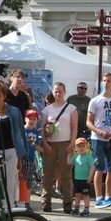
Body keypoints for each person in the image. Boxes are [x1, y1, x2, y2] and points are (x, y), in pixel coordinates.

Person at [87, 73, 111, 208]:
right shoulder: (95, 101)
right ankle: (98, 197)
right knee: (99, 167)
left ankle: (109, 196)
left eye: (109, 81)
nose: (106, 83)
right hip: (98, 138)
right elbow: (88, 122)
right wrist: (99, 131)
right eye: (104, 81)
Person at [40, 81, 77, 212]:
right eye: (55, 91)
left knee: (66, 174)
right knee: (48, 174)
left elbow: (74, 127)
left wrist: (72, 144)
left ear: (64, 92)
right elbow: (43, 128)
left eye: (60, 91)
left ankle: (67, 204)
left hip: (65, 143)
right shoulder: (47, 109)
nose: (58, 94)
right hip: (50, 143)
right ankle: (46, 203)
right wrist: (45, 143)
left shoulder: (71, 108)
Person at [70, 137, 95, 216]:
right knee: (77, 194)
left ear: (86, 147)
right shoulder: (75, 156)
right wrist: (68, 154)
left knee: (85, 194)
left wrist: (90, 176)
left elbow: (92, 167)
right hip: (77, 178)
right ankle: (76, 208)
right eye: (79, 146)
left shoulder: (88, 157)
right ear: (76, 148)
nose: (81, 148)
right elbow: (69, 162)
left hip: (85, 179)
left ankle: (86, 209)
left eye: (83, 146)